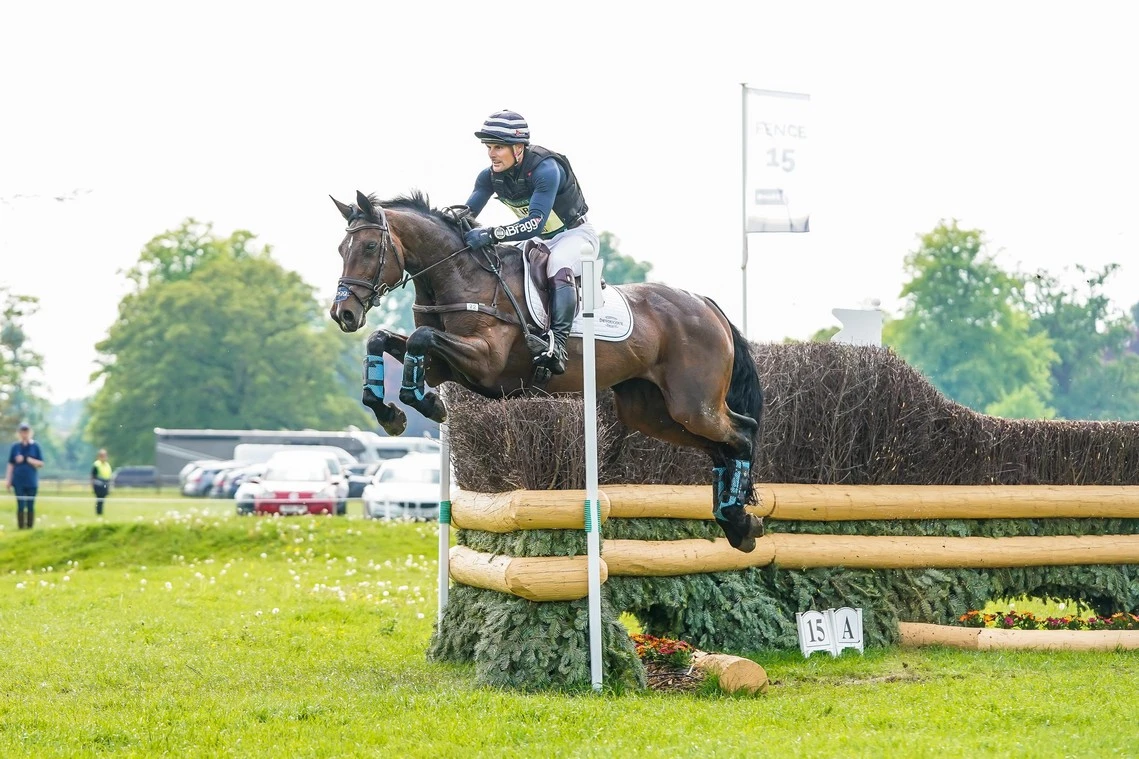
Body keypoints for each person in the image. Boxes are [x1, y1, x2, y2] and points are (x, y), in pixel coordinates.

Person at [462, 110, 598, 375]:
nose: (491, 154)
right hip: (540, 240)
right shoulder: (489, 176)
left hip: (575, 236)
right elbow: (466, 213)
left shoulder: (546, 169)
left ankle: (557, 345)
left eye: (498, 147)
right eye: (489, 147)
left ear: (518, 148)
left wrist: (491, 234)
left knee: (557, 263)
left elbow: (534, 222)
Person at [6, 422, 44, 530]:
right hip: (18, 480)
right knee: (20, 504)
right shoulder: (15, 447)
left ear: (30, 433)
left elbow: (41, 463)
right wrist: (8, 479)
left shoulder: (35, 446)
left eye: (26, 432)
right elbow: (10, 464)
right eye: (22, 432)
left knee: (30, 504)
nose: (24, 434)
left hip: (31, 480)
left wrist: (30, 460)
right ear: (19, 433)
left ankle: (30, 526)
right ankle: (21, 526)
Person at [91, 449, 112, 516]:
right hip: (98, 484)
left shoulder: (107, 465)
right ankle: (98, 513)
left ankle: (100, 513)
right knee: (99, 499)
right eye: (102, 456)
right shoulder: (96, 465)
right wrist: (93, 486)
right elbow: (93, 476)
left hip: (106, 483)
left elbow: (109, 475)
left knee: (102, 499)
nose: (104, 457)